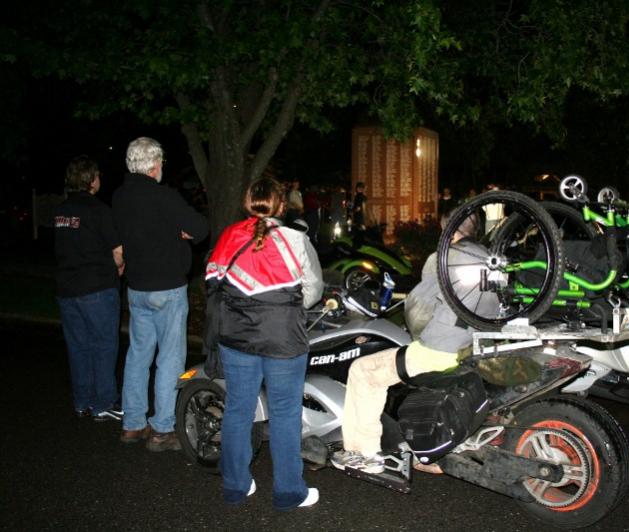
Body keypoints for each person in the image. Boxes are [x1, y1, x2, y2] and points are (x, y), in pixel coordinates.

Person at [331, 210, 496, 473]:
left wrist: (415, 332)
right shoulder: (490, 258)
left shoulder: (443, 257)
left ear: (449, 228)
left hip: (441, 349)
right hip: (472, 345)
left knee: (363, 372)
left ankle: (364, 455)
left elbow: (419, 307)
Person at [205, 178, 324, 508]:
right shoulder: (295, 239)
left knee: (238, 409)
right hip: (283, 337)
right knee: (285, 412)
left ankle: (235, 486)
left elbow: (214, 281)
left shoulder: (228, 236)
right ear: (281, 206)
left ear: (247, 203)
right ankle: (288, 492)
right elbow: (312, 290)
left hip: (236, 337)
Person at [112, 137, 209, 451]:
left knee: (138, 356)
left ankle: (133, 424)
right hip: (167, 288)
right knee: (169, 358)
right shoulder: (163, 196)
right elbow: (200, 227)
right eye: (161, 163)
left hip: (137, 287)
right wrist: (180, 233)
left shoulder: (120, 196)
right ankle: (162, 429)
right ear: (154, 165)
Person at [54, 156, 125, 421]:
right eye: (97, 175)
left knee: (78, 347)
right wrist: (118, 267)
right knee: (104, 345)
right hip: (96, 288)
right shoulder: (98, 210)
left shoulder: (60, 211)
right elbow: (117, 250)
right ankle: (104, 402)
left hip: (67, 289)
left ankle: (82, 400)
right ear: (91, 180)